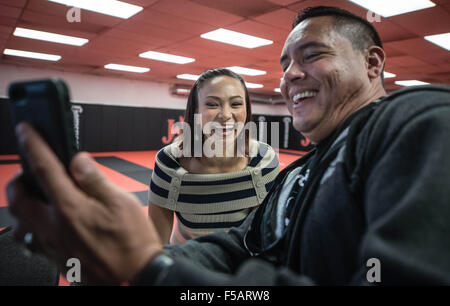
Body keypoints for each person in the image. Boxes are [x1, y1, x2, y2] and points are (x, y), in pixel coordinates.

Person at [6, 6, 450, 285]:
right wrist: (137, 255)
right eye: (285, 64)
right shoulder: (302, 171)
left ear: (373, 64)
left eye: (312, 55)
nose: (290, 75)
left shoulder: (418, 120)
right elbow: (243, 246)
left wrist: (152, 269)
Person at [148, 68, 279, 244]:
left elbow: (263, 238)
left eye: (236, 104)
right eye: (212, 104)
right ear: (196, 110)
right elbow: (157, 245)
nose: (225, 115)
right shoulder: (169, 163)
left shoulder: (263, 161)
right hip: (186, 264)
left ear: (247, 109)